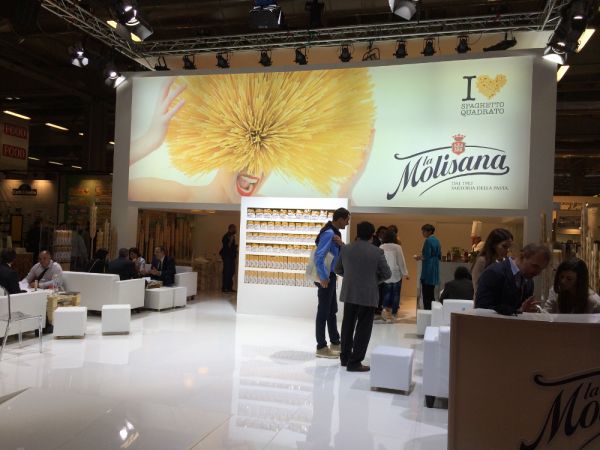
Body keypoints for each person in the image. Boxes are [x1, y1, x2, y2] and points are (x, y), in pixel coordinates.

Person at [128, 76, 375, 204]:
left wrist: (345, 191)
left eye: (269, 153)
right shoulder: (179, 195)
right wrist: (149, 140)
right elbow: (123, 186)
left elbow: (339, 229)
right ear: (217, 146)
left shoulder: (272, 207)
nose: (255, 169)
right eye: (245, 150)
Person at [334, 221, 391, 372]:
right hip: (368, 295)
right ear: (372, 235)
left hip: (350, 293)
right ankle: (355, 362)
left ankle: (345, 358)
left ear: (357, 233)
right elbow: (387, 274)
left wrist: (350, 278)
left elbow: (337, 269)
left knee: (347, 326)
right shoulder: (377, 252)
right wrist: (373, 281)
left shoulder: (346, 249)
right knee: (363, 329)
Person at [314, 207, 350, 359]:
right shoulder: (329, 233)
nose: (347, 223)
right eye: (347, 220)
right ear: (340, 219)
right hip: (326, 276)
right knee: (324, 311)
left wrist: (341, 244)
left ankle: (335, 341)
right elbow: (319, 256)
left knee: (331, 310)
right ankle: (321, 346)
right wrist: (323, 276)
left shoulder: (334, 233)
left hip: (331, 275)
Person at [475, 243, 551, 315]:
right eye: (535, 266)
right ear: (522, 256)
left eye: (541, 269)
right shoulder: (494, 273)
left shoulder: (529, 282)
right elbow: (482, 309)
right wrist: (519, 311)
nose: (538, 272)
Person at [471, 228, 513, 298]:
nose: (507, 250)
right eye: (504, 246)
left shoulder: (503, 261)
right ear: (494, 244)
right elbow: (478, 288)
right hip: (485, 302)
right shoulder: (482, 261)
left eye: (509, 247)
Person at [380, 228, 409, 322]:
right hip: (396, 273)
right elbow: (401, 261)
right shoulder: (397, 247)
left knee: (386, 293)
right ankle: (394, 314)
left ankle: (384, 310)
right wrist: (405, 273)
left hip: (385, 273)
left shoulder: (381, 246)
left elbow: (379, 261)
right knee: (396, 294)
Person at [415, 224, 441, 310]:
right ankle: (432, 312)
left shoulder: (428, 241)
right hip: (434, 269)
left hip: (428, 270)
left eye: (424, 231)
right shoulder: (437, 240)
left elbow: (426, 256)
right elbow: (439, 255)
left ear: (429, 231)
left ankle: (427, 312)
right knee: (431, 295)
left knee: (426, 295)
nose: (422, 233)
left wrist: (418, 257)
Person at [220, 224, 238, 293]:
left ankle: (229, 287)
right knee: (227, 272)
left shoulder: (232, 236)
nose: (235, 230)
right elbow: (227, 246)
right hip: (227, 256)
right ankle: (225, 288)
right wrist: (231, 240)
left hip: (231, 256)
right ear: (230, 229)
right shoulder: (226, 236)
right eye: (234, 228)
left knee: (231, 272)